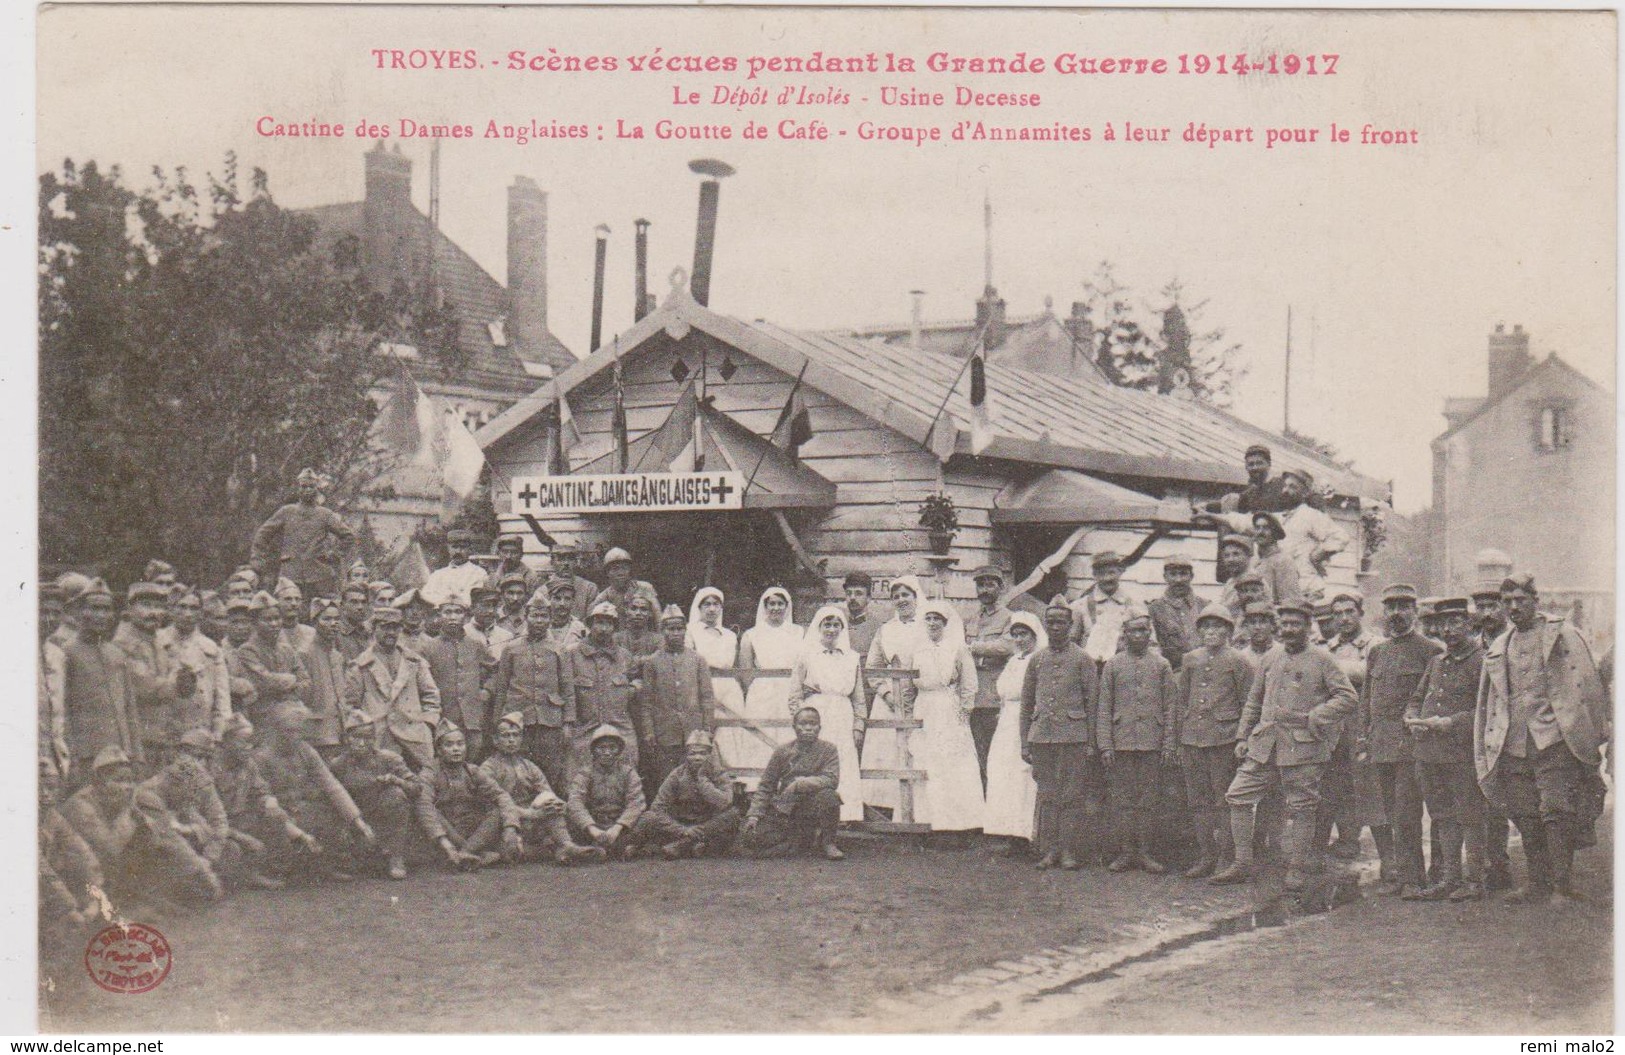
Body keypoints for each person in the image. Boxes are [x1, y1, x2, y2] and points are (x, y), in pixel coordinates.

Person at [1475, 574, 1610, 903]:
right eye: (1508, 602)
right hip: (1514, 742)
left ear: (1535, 600)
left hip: (1554, 738)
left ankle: (1562, 886)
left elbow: (1588, 685)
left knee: (1556, 809)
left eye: (1521, 600)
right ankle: (1538, 882)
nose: (1514, 607)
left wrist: (1591, 734)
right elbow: (1488, 701)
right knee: (1524, 812)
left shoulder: (1563, 634)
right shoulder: (1501, 645)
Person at [1212, 601, 1357, 890]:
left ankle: (1297, 869)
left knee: (1302, 807)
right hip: (1265, 744)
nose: (1289, 629)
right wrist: (1243, 737)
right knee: (1237, 796)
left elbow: (1348, 698)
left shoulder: (1322, 659)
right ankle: (1242, 863)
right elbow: (1254, 700)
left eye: (1296, 624)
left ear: (1308, 626)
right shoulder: (1270, 657)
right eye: (1285, 623)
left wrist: (1315, 717)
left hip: (1303, 746)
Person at [1356, 583, 1441, 898]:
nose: (1396, 614)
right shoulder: (1378, 651)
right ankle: (1400, 874)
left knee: (1408, 815)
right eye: (1391, 607)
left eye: (1403, 607)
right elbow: (1368, 698)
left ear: (1415, 611)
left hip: (1411, 747)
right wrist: (1364, 738)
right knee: (1390, 814)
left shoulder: (1430, 650)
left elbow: (1432, 698)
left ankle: (1414, 879)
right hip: (1381, 746)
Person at [1404, 598, 1487, 901]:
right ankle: (1451, 878)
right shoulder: (1437, 662)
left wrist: (1450, 722)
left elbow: (1485, 710)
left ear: (1469, 624)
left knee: (1470, 815)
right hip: (1429, 752)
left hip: (1461, 753)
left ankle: (1475, 880)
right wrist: (1411, 717)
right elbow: (1417, 697)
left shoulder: (1481, 661)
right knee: (1441, 814)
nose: (1449, 630)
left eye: (1456, 623)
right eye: (1443, 624)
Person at [254, 701, 375, 883]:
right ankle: (282, 869)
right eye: (289, 731)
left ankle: (325, 866)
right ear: (277, 730)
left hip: (303, 809)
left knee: (330, 810)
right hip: (280, 815)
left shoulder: (305, 750)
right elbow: (263, 799)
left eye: (298, 731)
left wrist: (357, 820)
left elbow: (331, 785)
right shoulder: (262, 757)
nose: (294, 736)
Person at [1174, 603, 1253, 879]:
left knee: (1223, 801)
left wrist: (1242, 739)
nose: (1211, 632)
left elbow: (1248, 704)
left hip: (1223, 740)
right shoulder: (1191, 659)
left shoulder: (1240, 661)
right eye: (1206, 626)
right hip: (1192, 738)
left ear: (1229, 631)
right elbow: (1181, 701)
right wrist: (1177, 739)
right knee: (1198, 801)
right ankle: (1206, 855)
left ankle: (1225, 858)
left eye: (1218, 626)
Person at [1020, 598, 1099, 870]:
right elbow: (1027, 703)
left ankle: (1068, 851)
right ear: (1045, 624)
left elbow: (1093, 703)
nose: (1056, 627)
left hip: (1074, 737)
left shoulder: (1083, 659)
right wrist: (1025, 742)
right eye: (1051, 622)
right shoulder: (1037, 659)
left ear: (1071, 625)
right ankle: (1050, 851)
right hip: (1042, 737)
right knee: (1048, 795)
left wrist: (1090, 742)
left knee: (1072, 796)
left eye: (1061, 622)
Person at [1097, 608, 1177, 874]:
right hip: (1121, 744)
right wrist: (1106, 745)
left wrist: (1167, 744)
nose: (1139, 635)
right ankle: (1125, 852)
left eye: (1143, 630)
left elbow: (1169, 708)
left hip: (1151, 743)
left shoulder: (1161, 664)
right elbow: (1104, 708)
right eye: (1133, 630)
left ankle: (1145, 852)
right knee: (1122, 799)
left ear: (1150, 633)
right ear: (1125, 633)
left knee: (1148, 799)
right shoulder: (1113, 665)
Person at [479, 712, 604, 865]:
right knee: (511, 850)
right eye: (505, 736)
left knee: (551, 804)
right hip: (507, 824)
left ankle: (567, 845)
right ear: (495, 740)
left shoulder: (529, 766)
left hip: (532, 821)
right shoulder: (487, 768)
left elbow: (547, 793)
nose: (511, 740)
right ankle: (554, 851)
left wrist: (554, 805)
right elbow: (492, 805)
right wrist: (530, 814)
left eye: (515, 735)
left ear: (521, 739)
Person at [49, 578, 142, 784]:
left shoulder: (117, 654)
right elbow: (62, 710)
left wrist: (136, 754)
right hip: (86, 757)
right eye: (94, 608)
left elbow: (129, 708)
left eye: (106, 609)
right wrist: (71, 757)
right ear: (79, 612)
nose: (101, 615)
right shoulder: (67, 652)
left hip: (120, 753)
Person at [910, 600, 985, 833]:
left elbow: (969, 683)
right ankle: (927, 822)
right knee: (926, 761)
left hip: (948, 709)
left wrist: (964, 712)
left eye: (937, 620)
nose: (932, 623)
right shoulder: (918, 649)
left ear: (945, 623)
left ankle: (958, 824)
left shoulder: (957, 648)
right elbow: (908, 682)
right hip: (924, 707)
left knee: (952, 763)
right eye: (929, 619)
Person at [787, 605, 867, 823]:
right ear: (819, 627)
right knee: (816, 763)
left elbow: (858, 697)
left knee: (843, 762)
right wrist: (803, 723)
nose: (831, 630)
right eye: (827, 625)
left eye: (835, 625)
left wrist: (858, 725)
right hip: (817, 717)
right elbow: (794, 695)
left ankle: (846, 816)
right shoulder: (806, 656)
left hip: (843, 715)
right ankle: (813, 818)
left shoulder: (852, 658)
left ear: (842, 628)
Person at [490, 591, 575, 793]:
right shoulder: (511, 649)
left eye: (544, 616)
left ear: (550, 618)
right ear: (526, 617)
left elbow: (567, 688)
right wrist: (498, 720)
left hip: (549, 721)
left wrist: (568, 723)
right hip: (519, 719)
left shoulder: (559, 649)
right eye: (534, 615)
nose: (539, 621)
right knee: (518, 771)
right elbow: (501, 687)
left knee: (550, 771)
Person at [324, 708, 421, 880]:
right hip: (355, 822)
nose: (361, 743)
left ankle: (395, 857)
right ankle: (345, 858)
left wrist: (396, 780)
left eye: (367, 738)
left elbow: (416, 787)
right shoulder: (338, 765)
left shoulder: (389, 759)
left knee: (396, 795)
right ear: (346, 739)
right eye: (356, 737)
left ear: (374, 739)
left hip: (384, 821)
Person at [129, 737, 228, 904]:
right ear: (175, 783)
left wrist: (209, 857)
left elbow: (212, 826)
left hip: (179, 851)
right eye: (188, 791)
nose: (190, 797)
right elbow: (173, 843)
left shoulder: (181, 789)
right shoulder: (148, 796)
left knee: (227, 853)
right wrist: (206, 873)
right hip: (149, 857)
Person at [210, 714, 301, 890]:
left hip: (241, 820)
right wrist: (240, 836)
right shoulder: (212, 768)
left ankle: (270, 870)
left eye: (250, 742)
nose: (248, 747)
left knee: (276, 817)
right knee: (233, 851)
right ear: (227, 741)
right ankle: (248, 876)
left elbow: (260, 790)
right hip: (219, 827)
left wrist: (268, 800)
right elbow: (209, 817)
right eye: (242, 741)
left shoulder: (248, 764)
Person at [345, 605, 443, 769]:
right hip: (380, 737)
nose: (390, 633)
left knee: (426, 779)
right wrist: (365, 729)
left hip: (415, 735)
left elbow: (431, 695)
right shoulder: (360, 665)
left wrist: (427, 724)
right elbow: (350, 705)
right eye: (384, 627)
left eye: (395, 628)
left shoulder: (414, 661)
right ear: (374, 629)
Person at [740, 707, 844, 860]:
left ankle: (828, 842)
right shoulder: (782, 751)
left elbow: (831, 779)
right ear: (794, 727)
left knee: (830, 795)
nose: (808, 728)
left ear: (819, 727)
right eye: (803, 724)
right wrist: (754, 814)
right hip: (786, 809)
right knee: (751, 839)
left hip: (812, 807)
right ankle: (799, 841)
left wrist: (798, 784)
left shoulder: (828, 749)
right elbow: (766, 785)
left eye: (813, 724)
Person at [112, 581, 195, 769]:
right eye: (146, 605)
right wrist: (177, 682)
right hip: (138, 740)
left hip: (163, 736)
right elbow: (147, 688)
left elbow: (182, 678)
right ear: (130, 608)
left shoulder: (158, 642)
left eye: (159, 607)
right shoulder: (123, 644)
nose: (154, 613)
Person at [636, 605, 718, 795]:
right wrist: (649, 731)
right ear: (662, 631)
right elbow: (646, 701)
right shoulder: (653, 662)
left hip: (693, 731)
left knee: (695, 778)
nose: (675, 633)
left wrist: (707, 728)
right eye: (670, 629)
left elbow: (706, 697)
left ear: (685, 630)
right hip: (664, 733)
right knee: (667, 779)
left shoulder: (697, 660)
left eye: (679, 629)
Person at [417, 722, 523, 870]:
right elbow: (424, 806)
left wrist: (510, 827)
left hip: (472, 831)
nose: (456, 749)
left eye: (460, 744)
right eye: (449, 745)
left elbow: (501, 795)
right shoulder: (429, 773)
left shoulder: (472, 771)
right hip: (445, 833)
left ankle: (465, 854)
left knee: (497, 811)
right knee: (432, 811)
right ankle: (469, 854)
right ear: (439, 750)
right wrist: (444, 842)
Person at [863, 575, 929, 814]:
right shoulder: (886, 630)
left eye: (905, 595)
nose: (901, 600)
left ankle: (918, 810)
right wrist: (888, 694)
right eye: (896, 596)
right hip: (890, 701)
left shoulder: (927, 625)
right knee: (886, 752)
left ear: (915, 597)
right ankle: (885, 811)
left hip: (921, 699)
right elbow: (873, 667)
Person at [1321, 591, 1376, 862]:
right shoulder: (1325, 646)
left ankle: (1350, 840)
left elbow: (1371, 673)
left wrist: (1331, 671)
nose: (1344, 618)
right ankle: (1331, 840)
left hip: (1360, 722)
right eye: (1338, 613)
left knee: (1357, 783)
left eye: (1349, 611)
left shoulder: (1373, 644)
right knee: (1330, 781)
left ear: (1360, 613)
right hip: (1332, 724)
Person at [631, 730, 741, 859]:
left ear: (710, 755)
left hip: (707, 824)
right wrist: (681, 830)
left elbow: (725, 803)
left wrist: (703, 781)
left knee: (732, 815)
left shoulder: (719, 774)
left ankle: (683, 845)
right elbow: (658, 807)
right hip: (680, 824)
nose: (697, 758)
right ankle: (690, 844)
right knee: (649, 817)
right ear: (686, 756)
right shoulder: (676, 775)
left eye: (703, 753)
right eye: (692, 754)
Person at [984, 612, 1042, 855]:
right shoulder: (1014, 660)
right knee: (1002, 773)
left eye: (1024, 634)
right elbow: (1005, 692)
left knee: (1023, 776)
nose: (1019, 640)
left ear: (1035, 635)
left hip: (1026, 721)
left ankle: (1027, 834)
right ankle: (1009, 832)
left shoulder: (1039, 660)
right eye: (1015, 635)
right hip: (1007, 722)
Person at [249, 468, 355, 600]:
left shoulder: (325, 514)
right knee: (287, 608)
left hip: (319, 575)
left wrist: (333, 555)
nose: (308, 490)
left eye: (312, 486)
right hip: (290, 574)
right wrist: (257, 559)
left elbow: (348, 536)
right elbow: (263, 534)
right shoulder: (286, 512)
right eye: (303, 486)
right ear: (298, 489)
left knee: (324, 609)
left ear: (317, 489)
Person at [1470, 580, 1515, 890]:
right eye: (1481, 607)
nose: (1486, 613)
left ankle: (1500, 862)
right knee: (1480, 800)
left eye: (1492, 606)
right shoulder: (1472, 647)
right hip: (1476, 732)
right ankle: (1490, 864)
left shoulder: (1513, 643)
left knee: (1507, 800)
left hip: (1508, 732)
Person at [735, 587, 804, 774]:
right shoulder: (752, 634)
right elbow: (746, 671)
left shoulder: (799, 633)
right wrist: (759, 690)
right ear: (765, 606)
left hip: (790, 688)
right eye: (771, 604)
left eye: (780, 603)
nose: (776, 608)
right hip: (762, 691)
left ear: (787, 606)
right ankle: (757, 784)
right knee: (761, 735)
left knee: (788, 734)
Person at [568, 602, 642, 773]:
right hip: (584, 727)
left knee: (628, 768)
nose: (603, 628)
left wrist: (630, 691)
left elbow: (638, 681)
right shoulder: (572, 654)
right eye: (599, 622)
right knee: (577, 775)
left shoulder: (624, 656)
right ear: (590, 625)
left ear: (615, 628)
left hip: (619, 726)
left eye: (609, 624)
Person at [419, 596, 491, 761]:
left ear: (465, 616)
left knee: (473, 761)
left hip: (472, 720)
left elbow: (495, 671)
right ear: (439, 615)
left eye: (458, 612)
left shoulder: (476, 645)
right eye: (448, 612)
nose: (452, 617)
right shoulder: (428, 648)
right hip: (443, 717)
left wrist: (486, 690)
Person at [159, 587, 233, 742]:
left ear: (200, 613)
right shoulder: (158, 642)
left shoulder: (210, 648)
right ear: (171, 609)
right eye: (182, 607)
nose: (188, 614)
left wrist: (220, 731)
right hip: (166, 730)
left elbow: (222, 695)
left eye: (194, 608)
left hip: (202, 730)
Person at [964, 566, 1015, 782]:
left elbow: (1006, 646)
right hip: (973, 696)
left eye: (990, 584)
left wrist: (975, 649)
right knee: (976, 753)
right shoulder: (971, 619)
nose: (985, 590)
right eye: (981, 585)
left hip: (995, 696)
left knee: (997, 754)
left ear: (1001, 587)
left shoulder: (1009, 618)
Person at [565, 725, 646, 859]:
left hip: (620, 828)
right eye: (602, 748)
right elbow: (575, 801)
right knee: (565, 813)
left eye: (612, 748)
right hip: (593, 826)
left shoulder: (628, 773)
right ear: (594, 751)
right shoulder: (585, 773)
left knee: (649, 818)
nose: (607, 753)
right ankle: (614, 849)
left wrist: (617, 828)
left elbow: (636, 803)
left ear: (619, 751)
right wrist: (592, 828)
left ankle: (603, 849)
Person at [686, 586, 744, 769]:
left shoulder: (730, 635)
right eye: (707, 604)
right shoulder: (690, 632)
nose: (712, 609)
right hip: (703, 685)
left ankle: (733, 776)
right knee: (706, 732)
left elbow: (734, 664)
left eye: (716, 604)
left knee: (731, 734)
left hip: (729, 688)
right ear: (699, 608)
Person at [233, 591, 309, 728]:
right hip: (262, 721)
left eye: (277, 618)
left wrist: (289, 692)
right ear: (255, 623)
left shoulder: (287, 650)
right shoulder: (248, 650)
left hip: (292, 718)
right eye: (267, 619)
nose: (274, 624)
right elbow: (265, 681)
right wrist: (292, 679)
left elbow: (306, 681)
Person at [1274, 470, 1348, 605]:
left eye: (1292, 487)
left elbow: (1340, 537)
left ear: (1305, 493)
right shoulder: (1281, 517)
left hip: (1307, 589)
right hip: (1286, 591)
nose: (1285, 490)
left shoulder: (1311, 515)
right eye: (1285, 486)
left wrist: (1318, 555)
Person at [298, 598, 349, 757]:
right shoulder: (304, 653)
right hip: (317, 734)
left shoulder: (337, 655)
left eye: (336, 619)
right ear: (315, 622)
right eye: (327, 619)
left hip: (340, 730)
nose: (333, 623)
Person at [1070, 552, 1136, 662]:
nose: (1107, 578)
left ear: (1120, 572)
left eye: (1111, 572)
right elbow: (1071, 644)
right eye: (1101, 573)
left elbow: (1149, 644)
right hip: (1090, 670)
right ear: (1094, 575)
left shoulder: (1133, 605)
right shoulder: (1080, 606)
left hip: (1123, 668)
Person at [1146, 557, 1201, 672]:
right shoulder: (1154, 609)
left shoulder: (1204, 606)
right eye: (1173, 574)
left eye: (1183, 574)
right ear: (1165, 577)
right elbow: (1151, 647)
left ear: (1192, 576)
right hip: (1170, 673)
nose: (1178, 580)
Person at [423, 528, 491, 605]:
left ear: (470, 549)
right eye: (454, 547)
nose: (458, 551)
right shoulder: (438, 575)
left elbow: (486, 600)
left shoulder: (479, 573)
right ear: (448, 549)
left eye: (463, 547)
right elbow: (426, 597)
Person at [1249, 513, 1303, 607]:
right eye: (1257, 528)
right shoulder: (1253, 561)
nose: (1260, 532)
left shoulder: (1283, 561)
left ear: (1275, 533)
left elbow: (1291, 601)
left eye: (1266, 528)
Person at [591, 547, 660, 615]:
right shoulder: (604, 597)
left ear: (630, 570)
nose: (621, 573)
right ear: (607, 573)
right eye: (615, 569)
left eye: (624, 568)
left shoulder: (644, 587)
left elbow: (658, 616)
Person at [549, 546, 600, 625]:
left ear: (576, 562)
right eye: (561, 559)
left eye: (570, 559)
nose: (566, 563)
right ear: (552, 562)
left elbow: (592, 621)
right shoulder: (543, 590)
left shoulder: (589, 588)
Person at [466, 585, 516, 658]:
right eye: (485, 606)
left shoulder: (506, 636)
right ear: (472, 608)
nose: (491, 610)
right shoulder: (464, 633)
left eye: (494, 606)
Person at [843, 571, 884, 659]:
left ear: (868, 598)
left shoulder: (878, 629)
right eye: (849, 593)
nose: (852, 598)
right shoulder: (838, 625)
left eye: (858, 593)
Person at [335, 583, 373, 663]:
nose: (360, 607)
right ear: (342, 605)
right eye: (354, 602)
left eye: (363, 602)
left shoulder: (369, 632)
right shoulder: (335, 633)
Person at [618, 594, 663, 659]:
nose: (638, 613)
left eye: (643, 609)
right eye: (633, 608)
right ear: (627, 611)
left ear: (650, 613)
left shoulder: (658, 641)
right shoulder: (616, 639)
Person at [276, 579, 316, 653]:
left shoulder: (311, 633)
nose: (294, 603)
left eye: (297, 599)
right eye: (288, 599)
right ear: (277, 602)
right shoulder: (272, 633)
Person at [1239, 601, 1277, 670]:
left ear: (1272, 625)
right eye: (1252, 622)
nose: (1257, 627)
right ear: (1246, 627)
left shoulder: (1281, 653)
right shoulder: (1242, 657)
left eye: (1263, 622)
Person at [396, 589, 436, 654]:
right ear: (402, 611)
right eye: (410, 608)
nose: (415, 613)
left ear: (424, 613)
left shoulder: (430, 642)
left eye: (419, 608)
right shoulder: (395, 638)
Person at [495, 572, 531, 639]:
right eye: (510, 593)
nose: (515, 598)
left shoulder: (531, 617)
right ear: (502, 594)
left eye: (520, 593)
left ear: (526, 595)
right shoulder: (494, 618)